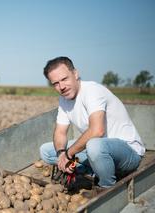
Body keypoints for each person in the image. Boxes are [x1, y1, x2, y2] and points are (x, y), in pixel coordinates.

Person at [40, 56, 145, 188]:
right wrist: (61, 153)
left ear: (75, 74)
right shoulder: (64, 99)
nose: (61, 87)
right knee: (46, 151)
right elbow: (60, 132)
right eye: (55, 83)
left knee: (94, 145)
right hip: (96, 150)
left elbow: (97, 131)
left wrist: (68, 154)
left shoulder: (91, 91)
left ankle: (106, 187)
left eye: (64, 79)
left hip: (128, 153)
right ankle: (94, 170)